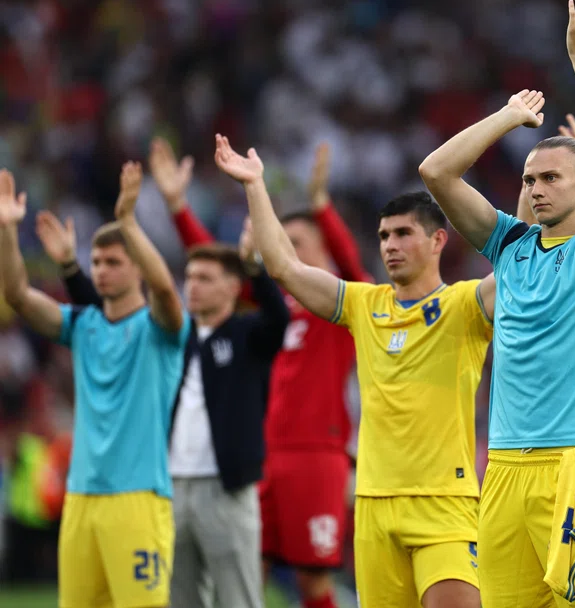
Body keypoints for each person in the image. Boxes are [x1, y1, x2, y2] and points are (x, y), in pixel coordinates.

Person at [419, 0, 575, 607]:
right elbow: (436, 172)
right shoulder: (509, 247)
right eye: (528, 180)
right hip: (507, 470)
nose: (536, 189)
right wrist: (510, 117)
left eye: (549, 178)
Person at [214, 134, 495, 608]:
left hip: (444, 505)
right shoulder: (363, 304)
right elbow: (282, 267)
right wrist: (255, 185)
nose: (391, 245)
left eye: (403, 234)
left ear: (437, 240)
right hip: (373, 507)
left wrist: (555, 193)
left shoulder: (465, 303)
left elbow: (526, 257)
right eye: (384, 236)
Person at [148, 138, 369, 607]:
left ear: (325, 251)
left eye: (299, 243)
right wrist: (177, 207)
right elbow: (214, 269)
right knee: (250, 570)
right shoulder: (266, 309)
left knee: (314, 581)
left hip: (317, 455)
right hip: (261, 455)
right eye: (282, 243)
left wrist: (323, 208)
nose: (286, 250)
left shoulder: (345, 305)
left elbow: (351, 264)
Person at [39, 211, 290, 608]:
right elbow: (104, 307)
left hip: (226, 488)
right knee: (178, 599)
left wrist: (255, 268)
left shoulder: (247, 336)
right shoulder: (172, 333)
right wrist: (71, 269)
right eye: (189, 277)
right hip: (170, 488)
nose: (193, 286)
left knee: (238, 598)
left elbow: (280, 318)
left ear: (233, 288)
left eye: (205, 279)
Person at [0, 164, 190, 608]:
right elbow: (17, 295)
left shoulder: (161, 329)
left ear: (136, 268)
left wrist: (127, 221)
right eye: (97, 262)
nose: (101, 271)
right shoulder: (83, 325)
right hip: (82, 498)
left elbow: (164, 289)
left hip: (138, 499)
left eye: (113, 263)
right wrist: (8, 231)